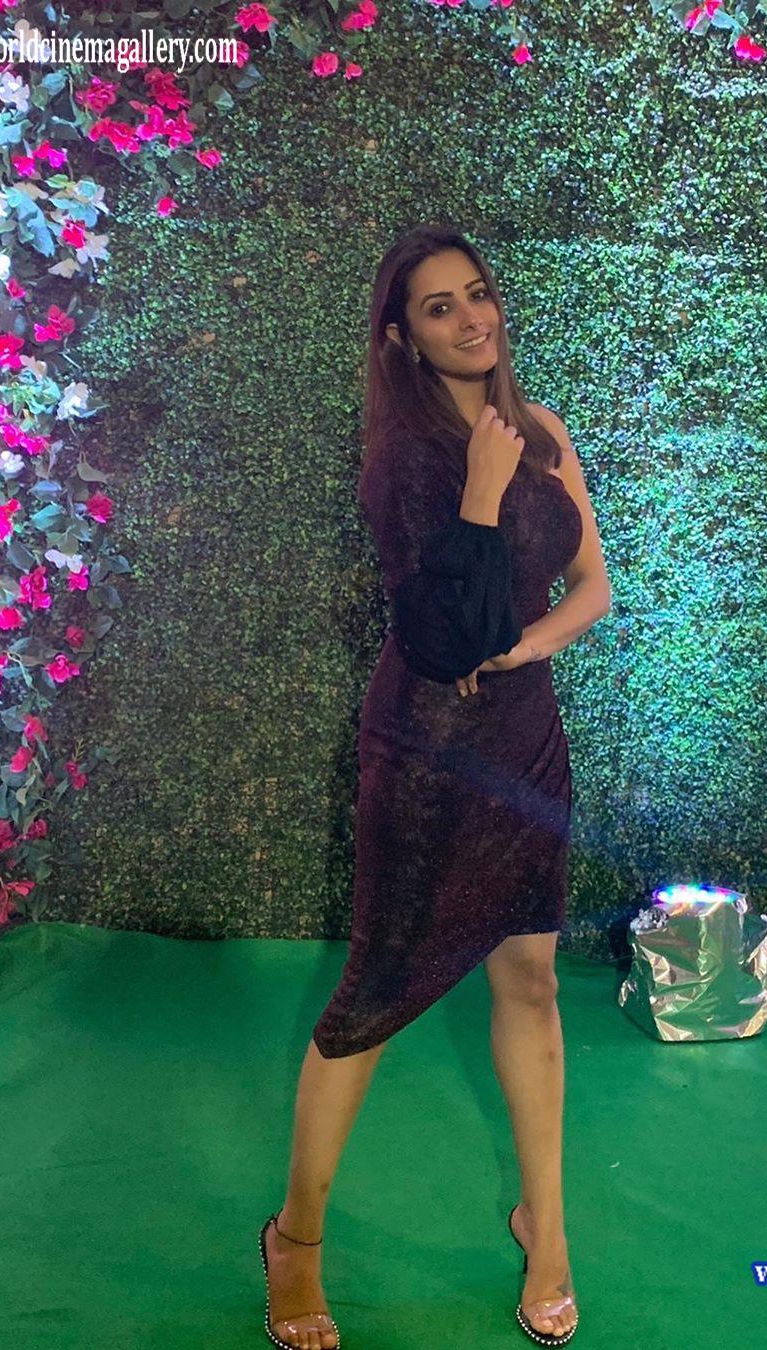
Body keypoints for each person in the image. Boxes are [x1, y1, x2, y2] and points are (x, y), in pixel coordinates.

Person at [259, 225, 611, 1350]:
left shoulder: (543, 429)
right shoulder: (404, 462)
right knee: (373, 997)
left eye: (477, 294)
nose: (470, 319)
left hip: (524, 739)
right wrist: (482, 493)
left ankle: (547, 1229)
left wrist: (529, 649)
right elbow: (440, 636)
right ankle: (296, 1240)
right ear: (403, 338)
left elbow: (592, 587)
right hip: (423, 751)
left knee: (532, 983)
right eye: (439, 307)